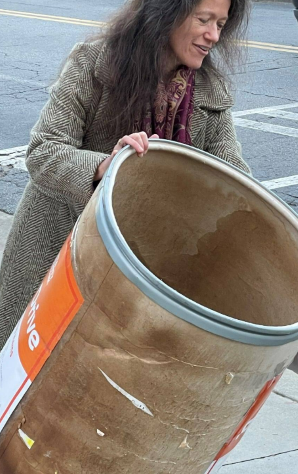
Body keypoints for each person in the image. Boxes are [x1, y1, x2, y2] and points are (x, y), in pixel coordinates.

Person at [0, 0, 252, 349]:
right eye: (203, 20)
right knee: (24, 362)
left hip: (135, 273)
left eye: (220, 24)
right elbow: (44, 149)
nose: (213, 36)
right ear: (166, 13)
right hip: (58, 250)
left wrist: (290, 226)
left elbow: (235, 179)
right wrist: (107, 167)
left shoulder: (210, 90)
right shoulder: (94, 63)